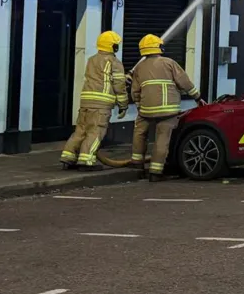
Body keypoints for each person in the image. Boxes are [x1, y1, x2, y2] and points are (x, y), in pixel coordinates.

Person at [129, 34, 201, 181]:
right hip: (168, 110)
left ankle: (137, 164)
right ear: (159, 47)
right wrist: (197, 97)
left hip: (146, 110)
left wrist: (139, 106)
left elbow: (135, 91)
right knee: (162, 138)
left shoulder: (139, 68)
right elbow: (185, 82)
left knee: (139, 133)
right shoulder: (169, 63)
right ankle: (155, 172)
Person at [61, 31, 129, 170]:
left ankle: (68, 157)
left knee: (80, 130)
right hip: (101, 105)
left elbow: (100, 77)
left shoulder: (92, 60)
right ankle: (86, 161)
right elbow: (119, 85)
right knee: (95, 132)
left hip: (86, 102)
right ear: (113, 46)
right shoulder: (114, 62)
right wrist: (123, 105)